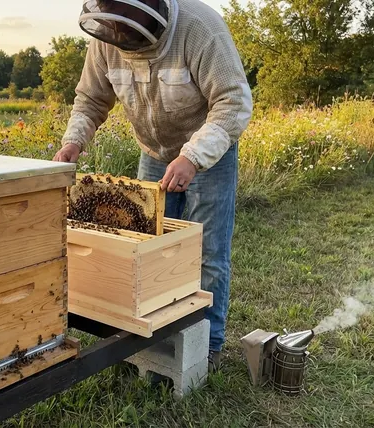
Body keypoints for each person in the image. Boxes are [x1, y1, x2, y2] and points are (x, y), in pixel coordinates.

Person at [53, 0, 253, 372]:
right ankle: (150, 338)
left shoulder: (200, 28)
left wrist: (192, 157)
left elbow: (233, 102)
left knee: (207, 252)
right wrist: (73, 142)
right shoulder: (108, 35)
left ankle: (206, 346)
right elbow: (91, 98)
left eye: (128, 31)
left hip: (209, 153)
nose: (121, 39)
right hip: (154, 152)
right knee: (145, 247)